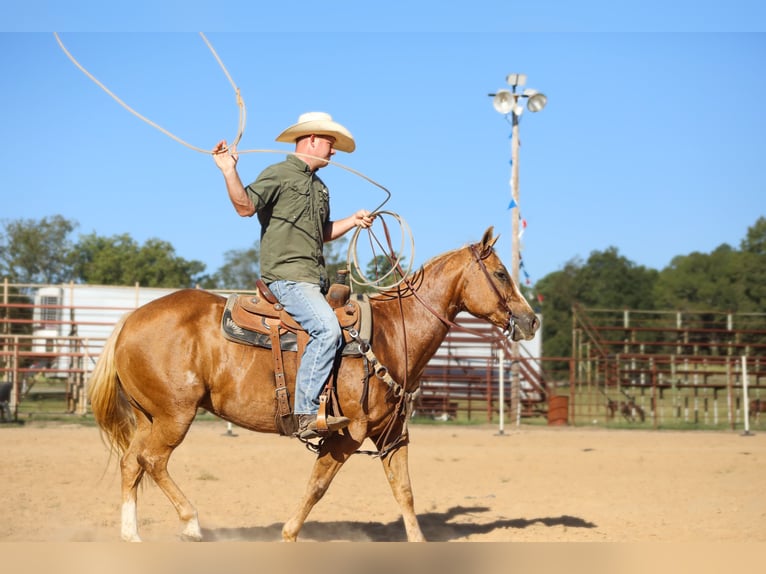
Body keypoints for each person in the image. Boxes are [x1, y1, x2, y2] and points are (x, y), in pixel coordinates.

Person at [213, 112, 374, 439]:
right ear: (313, 138)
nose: (334, 152)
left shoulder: (321, 188)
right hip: (288, 278)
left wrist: (353, 220)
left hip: (314, 280)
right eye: (330, 143)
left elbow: (323, 232)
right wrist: (229, 171)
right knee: (327, 330)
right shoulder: (279, 174)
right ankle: (304, 413)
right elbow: (245, 207)